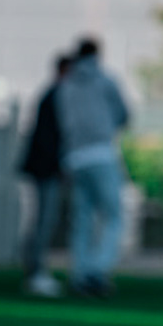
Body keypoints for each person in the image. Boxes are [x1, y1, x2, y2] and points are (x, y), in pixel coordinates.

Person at [54, 38, 132, 297]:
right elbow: (123, 114)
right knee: (114, 216)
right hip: (101, 153)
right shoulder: (106, 80)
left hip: (74, 157)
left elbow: (61, 120)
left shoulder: (65, 86)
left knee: (82, 219)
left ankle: (80, 273)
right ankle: (97, 272)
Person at [19, 55, 74, 298]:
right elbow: (49, 139)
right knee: (44, 220)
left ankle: (35, 269)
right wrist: (59, 166)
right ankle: (36, 272)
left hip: (42, 167)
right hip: (46, 169)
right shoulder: (56, 97)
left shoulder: (51, 95)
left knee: (41, 220)